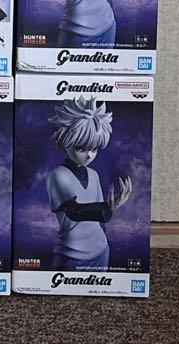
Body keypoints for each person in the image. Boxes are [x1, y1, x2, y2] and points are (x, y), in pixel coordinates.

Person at [46, 97, 132, 270]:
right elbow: (74, 211)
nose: (89, 155)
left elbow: (100, 220)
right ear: (65, 142)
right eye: (80, 148)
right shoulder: (58, 176)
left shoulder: (93, 175)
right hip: (70, 254)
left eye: (94, 148)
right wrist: (107, 208)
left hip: (101, 250)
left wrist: (107, 211)